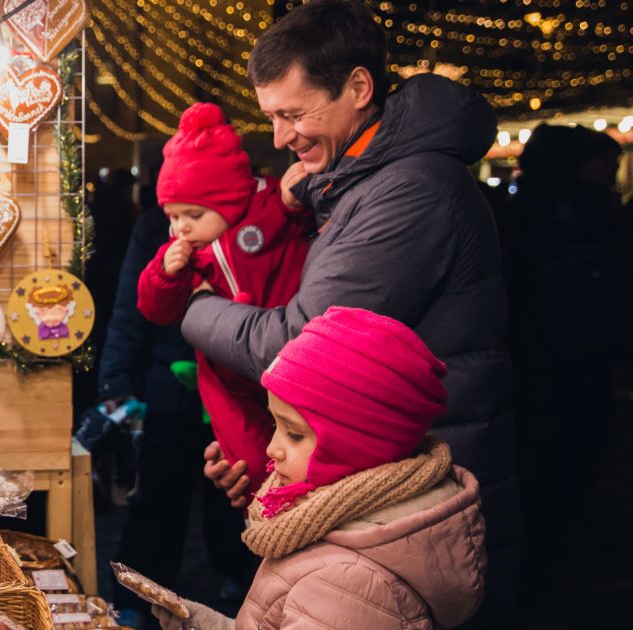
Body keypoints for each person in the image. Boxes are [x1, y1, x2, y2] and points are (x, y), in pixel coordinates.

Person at [180, 0, 519, 617]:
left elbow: (300, 345)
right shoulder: (360, 182)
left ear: (358, 87)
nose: (280, 138)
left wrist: (195, 305)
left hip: (421, 492)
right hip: (381, 480)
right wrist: (267, 446)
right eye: (272, 117)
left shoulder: (408, 192)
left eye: (293, 113)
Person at [153, 307, 486, 630]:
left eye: (294, 433)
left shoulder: (345, 584)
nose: (272, 449)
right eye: (275, 426)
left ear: (358, 447)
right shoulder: (330, 544)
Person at [136, 101, 312, 502]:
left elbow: (300, 222)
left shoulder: (268, 209)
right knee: (245, 462)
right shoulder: (185, 255)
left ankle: (297, 513)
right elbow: (154, 308)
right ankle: (263, 517)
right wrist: (165, 273)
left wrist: (291, 198)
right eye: (173, 216)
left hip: (286, 356)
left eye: (193, 214)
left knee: (300, 452)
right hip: (224, 377)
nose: (180, 227)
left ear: (228, 201)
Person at [98, 197, 258, 624]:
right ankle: (138, 596)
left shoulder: (250, 219)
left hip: (238, 386)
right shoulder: (155, 223)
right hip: (167, 386)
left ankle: (244, 582)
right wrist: (115, 383)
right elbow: (130, 309)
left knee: (237, 496)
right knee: (155, 499)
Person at [503, 124, 629, 603]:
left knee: (546, 466)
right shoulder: (583, 215)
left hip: (537, 361)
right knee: (568, 463)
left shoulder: (523, 213)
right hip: (566, 361)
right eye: (607, 163)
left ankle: (542, 569)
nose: (612, 173)